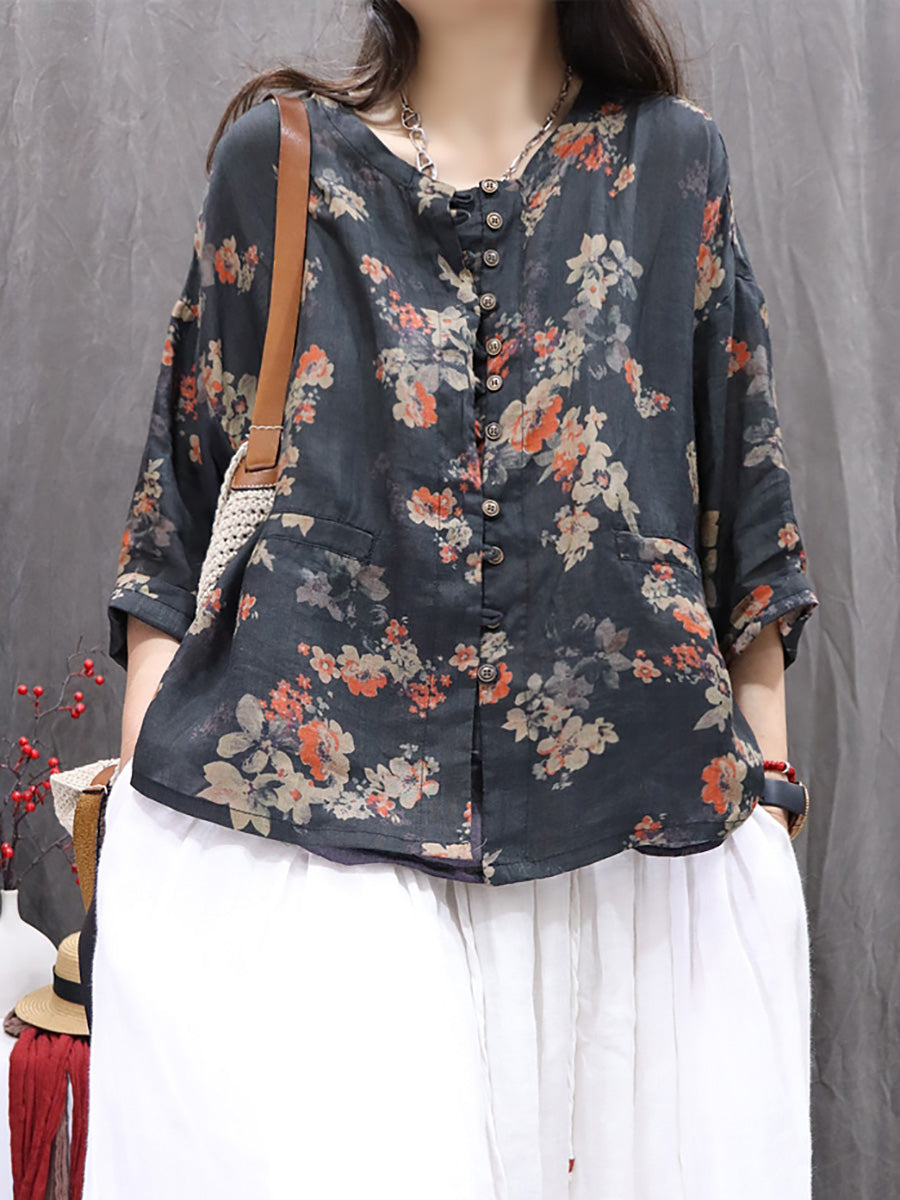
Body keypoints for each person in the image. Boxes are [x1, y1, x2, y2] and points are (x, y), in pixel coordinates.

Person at [82, 1, 820, 1196]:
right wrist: (147, 843)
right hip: (298, 873)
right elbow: (177, 522)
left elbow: (748, 527)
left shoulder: (673, 162)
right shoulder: (278, 162)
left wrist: (768, 813)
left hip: (638, 876)